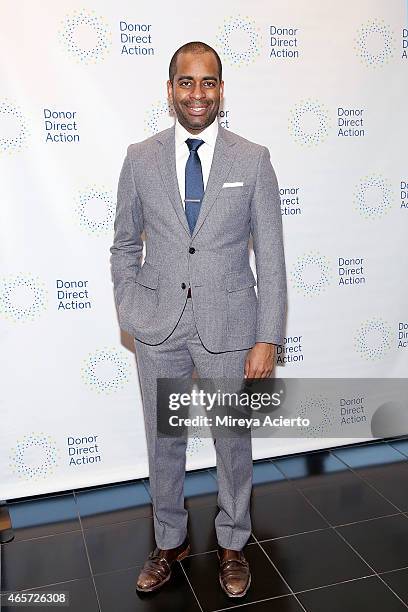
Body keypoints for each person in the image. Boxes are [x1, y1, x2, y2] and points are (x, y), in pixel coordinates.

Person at [110, 41, 287, 598]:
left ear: (221, 90)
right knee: (164, 439)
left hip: (230, 325)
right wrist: (131, 309)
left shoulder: (252, 158)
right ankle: (170, 541)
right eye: (186, 82)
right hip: (158, 326)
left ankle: (233, 542)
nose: (197, 93)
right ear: (170, 90)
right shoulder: (140, 157)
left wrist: (267, 336)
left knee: (232, 440)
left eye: (208, 82)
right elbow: (122, 247)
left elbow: (273, 256)